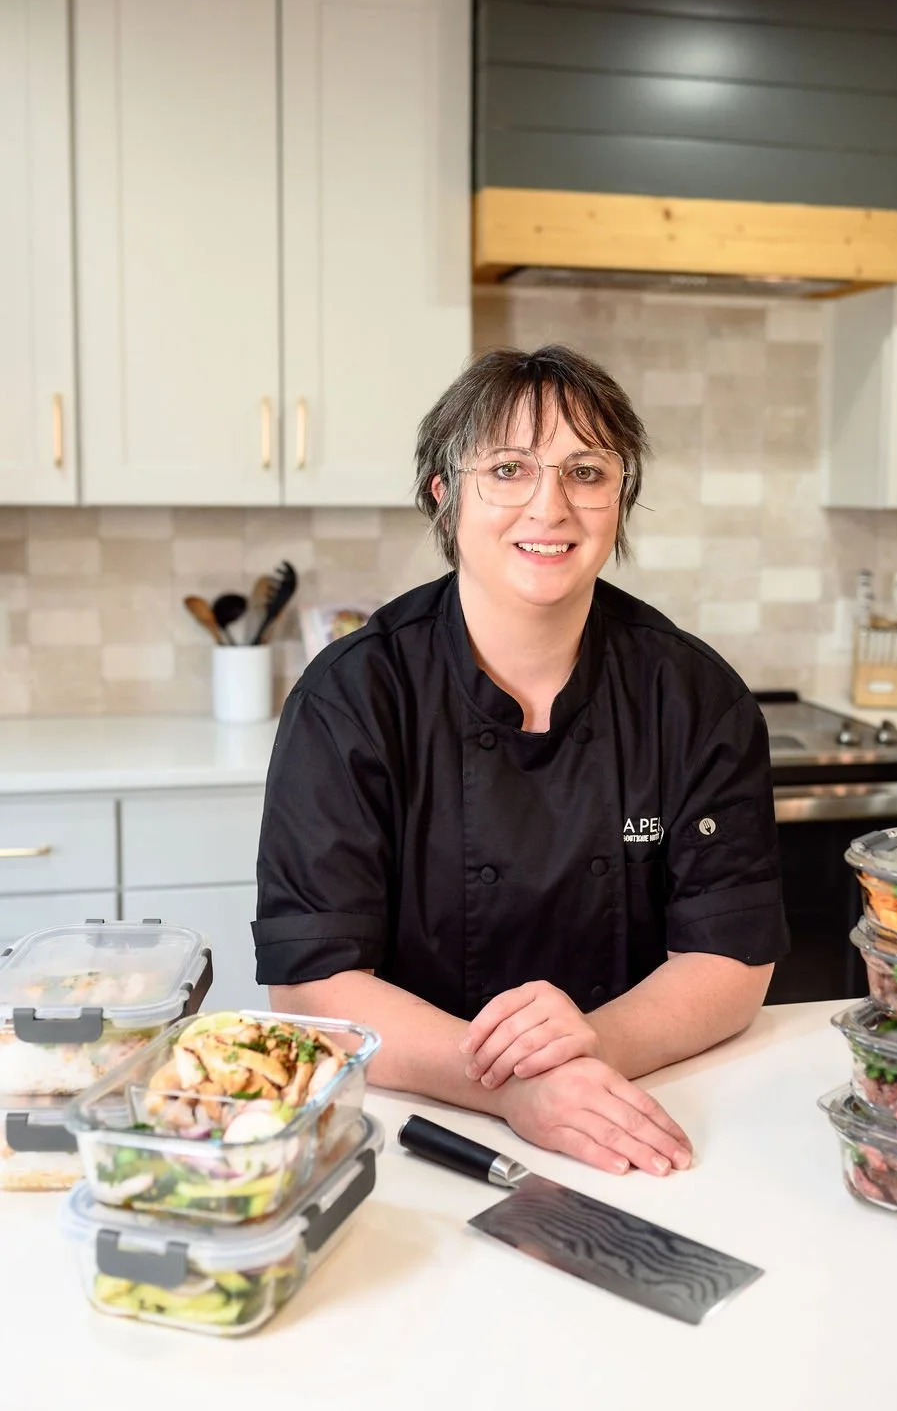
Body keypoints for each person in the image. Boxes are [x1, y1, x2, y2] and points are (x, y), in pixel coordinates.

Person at [253, 344, 788, 1178]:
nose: (551, 507)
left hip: (633, 1112)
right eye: (508, 469)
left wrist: (591, 1049)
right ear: (445, 494)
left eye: (586, 472)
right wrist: (505, 1087)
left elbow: (733, 957)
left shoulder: (694, 695)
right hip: (414, 1128)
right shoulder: (351, 699)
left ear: (621, 498)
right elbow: (311, 983)